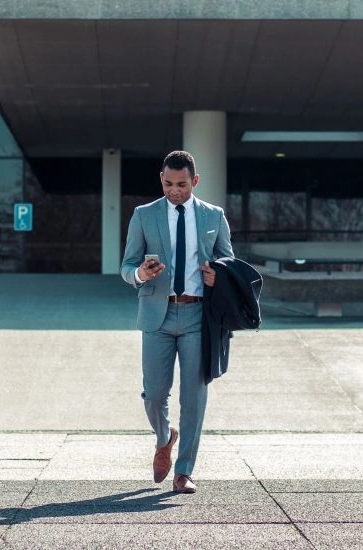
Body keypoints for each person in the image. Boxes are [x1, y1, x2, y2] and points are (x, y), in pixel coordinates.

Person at [120, 150, 234, 494]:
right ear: (161, 179)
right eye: (168, 184)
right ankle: (164, 436)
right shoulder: (144, 215)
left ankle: (184, 471)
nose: (174, 190)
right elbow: (126, 267)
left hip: (199, 315)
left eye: (182, 184)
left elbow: (230, 261)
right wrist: (140, 273)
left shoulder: (214, 215)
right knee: (154, 395)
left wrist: (220, 276)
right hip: (158, 313)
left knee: (194, 396)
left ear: (194, 181)